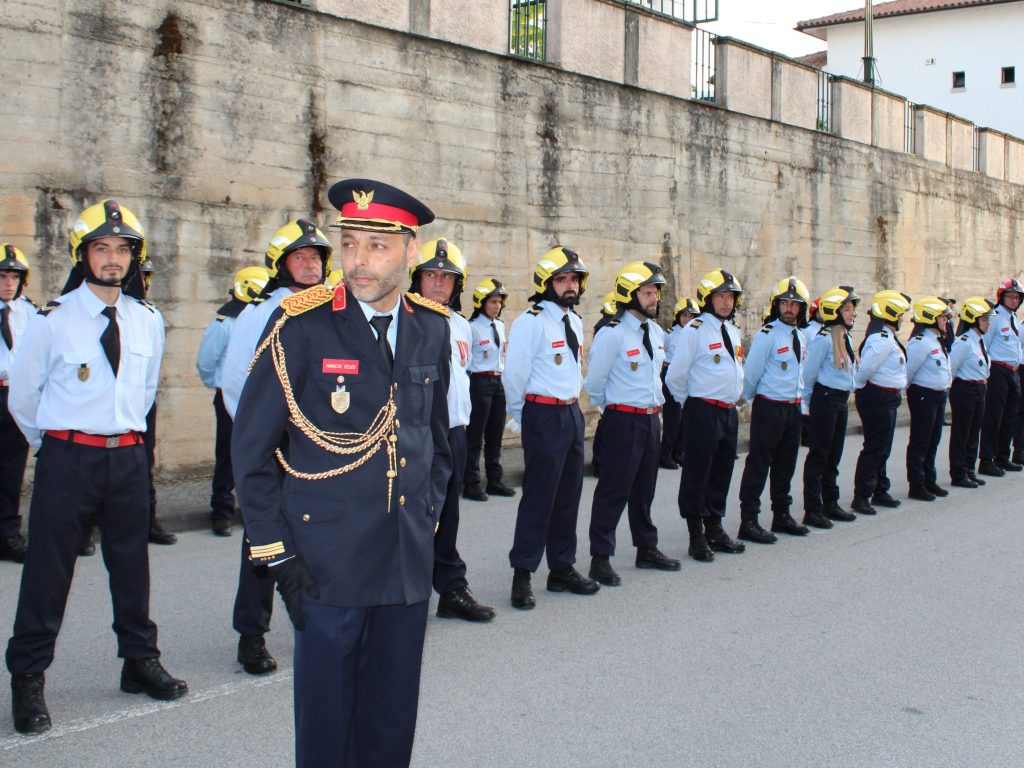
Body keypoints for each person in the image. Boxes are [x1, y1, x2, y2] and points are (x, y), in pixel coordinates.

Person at [232, 178, 452, 768]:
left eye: (378, 246)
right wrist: (277, 553)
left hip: (404, 561)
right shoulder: (300, 326)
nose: (359, 260)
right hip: (325, 563)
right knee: (327, 731)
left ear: (411, 250)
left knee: (390, 725)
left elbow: (435, 438)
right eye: (350, 243)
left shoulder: (433, 326)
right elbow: (250, 452)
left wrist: (426, 516)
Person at [6, 200, 186, 735]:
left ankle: (139, 661)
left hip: (128, 457)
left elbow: (147, 391)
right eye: (102, 249)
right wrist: (63, 442)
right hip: (69, 458)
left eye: (123, 250)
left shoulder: (148, 320)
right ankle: (29, 677)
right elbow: (24, 399)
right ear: (82, 256)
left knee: (132, 566)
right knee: (47, 572)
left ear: (135, 257)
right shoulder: (53, 321)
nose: (113, 259)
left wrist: (119, 438)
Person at [221, 220, 331, 677]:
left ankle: (323, 621)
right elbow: (235, 384)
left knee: (323, 535)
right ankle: (251, 633)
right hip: (278, 444)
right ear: (280, 264)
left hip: (318, 447)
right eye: (299, 257)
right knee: (262, 541)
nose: (310, 265)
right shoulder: (257, 314)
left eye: (316, 257)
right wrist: (260, 439)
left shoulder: (333, 308)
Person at [505, 246, 600, 609]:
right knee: (539, 496)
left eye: (574, 279)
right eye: (561, 279)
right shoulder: (531, 320)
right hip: (543, 415)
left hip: (571, 413)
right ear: (547, 283)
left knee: (568, 495)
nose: (569, 286)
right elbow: (514, 376)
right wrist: (522, 416)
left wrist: (574, 409)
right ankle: (522, 573)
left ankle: (562, 567)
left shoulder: (573, 321)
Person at [410, 238, 495, 622]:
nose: (439, 283)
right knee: (413, 516)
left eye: (448, 277)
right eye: (431, 275)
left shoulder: (460, 325)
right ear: (417, 278)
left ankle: (450, 587)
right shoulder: (403, 322)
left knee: (450, 513)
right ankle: (403, 593)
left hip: (455, 432)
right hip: (419, 436)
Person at [585, 261, 681, 586]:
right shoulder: (612, 334)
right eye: (648, 292)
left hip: (652, 419)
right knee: (614, 489)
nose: (655, 299)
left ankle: (646, 546)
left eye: (656, 293)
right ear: (630, 293)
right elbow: (595, 382)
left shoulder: (655, 333)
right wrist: (611, 410)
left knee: (645, 490)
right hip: (623, 420)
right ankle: (600, 556)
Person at [664, 268, 747, 562]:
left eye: (730, 297)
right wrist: (691, 404)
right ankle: (696, 534)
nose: (726, 302)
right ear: (708, 299)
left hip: (727, 411)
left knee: (722, 471)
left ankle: (715, 526)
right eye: (721, 297)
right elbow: (675, 376)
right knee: (698, 472)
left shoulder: (732, 330)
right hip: (703, 410)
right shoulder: (695, 330)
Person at [195, 266, 270, 537]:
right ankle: (222, 511)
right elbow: (206, 362)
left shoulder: (263, 316)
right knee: (227, 455)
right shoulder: (225, 323)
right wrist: (219, 386)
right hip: (229, 398)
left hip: (261, 399)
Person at [737, 276, 812, 543]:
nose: (790, 308)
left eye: (795, 304)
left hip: (792, 409)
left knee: (786, 465)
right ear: (776, 305)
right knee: (759, 463)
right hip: (769, 407)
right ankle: (749, 519)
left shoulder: (801, 336)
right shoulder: (767, 336)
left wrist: (802, 405)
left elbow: (799, 373)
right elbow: (751, 373)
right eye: (785, 303)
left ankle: (781, 514)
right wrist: (746, 400)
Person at [801, 285, 859, 526]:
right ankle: (812, 509)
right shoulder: (823, 340)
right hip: (824, 399)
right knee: (819, 455)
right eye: (847, 309)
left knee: (834, 454)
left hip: (840, 400)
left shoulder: (845, 337)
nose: (853, 313)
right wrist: (805, 402)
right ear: (834, 311)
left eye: (852, 309)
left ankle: (830, 502)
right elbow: (809, 373)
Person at [851, 290, 912, 516]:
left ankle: (879, 489)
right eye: (899, 314)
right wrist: (857, 387)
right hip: (877, 397)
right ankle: (862, 496)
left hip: (887, 397)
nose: (902, 319)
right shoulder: (881, 340)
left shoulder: (888, 337)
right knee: (875, 447)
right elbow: (865, 369)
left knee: (882, 447)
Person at [134, 260, 176, 546]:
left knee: (143, 464)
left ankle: (147, 520)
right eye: (141, 276)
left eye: (146, 277)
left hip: (141, 403)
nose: (144, 282)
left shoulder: (149, 316)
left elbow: (153, 368)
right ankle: (86, 530)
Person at [463, 277, 515, 501]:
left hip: (498, 382)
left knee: (495, 434)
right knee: (475, 435)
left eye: (499, 302)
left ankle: (494, 479)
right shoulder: (471, 327)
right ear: (481, 302)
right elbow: (466, 360)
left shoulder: (501, 326)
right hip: (479, 382)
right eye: (492, 302)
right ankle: (471, 482)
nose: (497, 306)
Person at [0, 245, 35, 563]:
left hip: (13, 394)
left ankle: (8, 533)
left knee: (11, 470)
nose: (9, 282)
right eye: (2, 275)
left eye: (14, 276)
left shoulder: (30, 312)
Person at [904, 296, 954, 501]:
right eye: (943, 317)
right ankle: (916, 484)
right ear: (931, 318)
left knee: (933, 440)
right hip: (923, 395)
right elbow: (907, 372)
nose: (946, 321)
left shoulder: (936, 340)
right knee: (920, 440)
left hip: (938, 395)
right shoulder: (920, 343)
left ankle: (929, 480)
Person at [978, 278, 1023, 476]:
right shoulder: (995, 317)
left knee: (1010, 416)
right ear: (1001, 297)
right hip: (997, 370)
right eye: (1010, 296)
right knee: (993, 416)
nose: (1014, 301)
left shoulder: (1012, 318)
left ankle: (1002, 457)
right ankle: (986, 460)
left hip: (1012, 372)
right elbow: (984, 345)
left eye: (1017, 298)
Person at [948, 297, 994, 488]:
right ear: (973, 320)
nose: (988, 323)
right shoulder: (964, 342)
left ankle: (969, 469)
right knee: (962, 432)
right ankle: (958, 473)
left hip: (980, 388)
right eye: (984, 319)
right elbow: (952, 368)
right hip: (965, 388)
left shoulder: (979, 341)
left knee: (974, 430)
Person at [659, 297, 698, 470]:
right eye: (684, 315)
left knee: (685, 418)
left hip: (688, 376)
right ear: (677, 316)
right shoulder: (668, 334)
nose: (687, 319)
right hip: (670, 375)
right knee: (673, 418)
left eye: (691, 316)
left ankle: (679, 452)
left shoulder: (697, 333)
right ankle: (665, 454)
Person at [589, 291, 622, 478]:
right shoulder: (606, 326)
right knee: (605, 426)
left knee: (605, 425)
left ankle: (600, 461)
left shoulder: (605, 324)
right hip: (609, 385)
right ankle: (600, 462)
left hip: (611, 384)